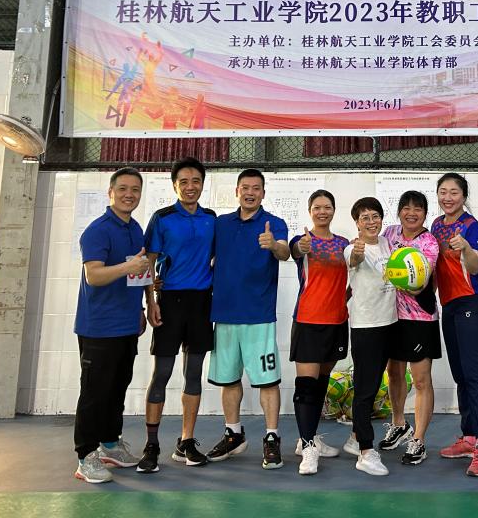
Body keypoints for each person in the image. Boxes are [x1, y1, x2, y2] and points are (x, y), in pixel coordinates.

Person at [136, 157, 217, 473]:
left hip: (201, 303)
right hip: (169, 301)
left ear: (202, 184)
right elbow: (148, 262)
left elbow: (219, 257)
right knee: (162, 373)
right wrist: (150, 300)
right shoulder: (162, 218)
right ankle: (151, 445)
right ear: (175, 186)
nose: (190, 186)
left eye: (195, 181)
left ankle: (186, 441)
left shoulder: (211, 219)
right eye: (184, 181)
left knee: (193, 373)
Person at [206, 169, 290, 470]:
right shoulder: (221, 224)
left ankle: (272, 437)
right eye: (245, 187)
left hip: (258, 316)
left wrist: (273, 244)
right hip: (224, 314)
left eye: (256, 188)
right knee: (228, 379)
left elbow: (284, 252)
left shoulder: (274, 223)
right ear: (237, 191)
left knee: (267, 380)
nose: (250, 192)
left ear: (263, 193)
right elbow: (205, 257)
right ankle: (234, 434)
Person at [73, 167, 151, 484]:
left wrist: (142, 308)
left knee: (117, 389)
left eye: (135, 189)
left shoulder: (135, 229)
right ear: (111, 192)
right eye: (123, 189)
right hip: (98, 327)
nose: (129, 194)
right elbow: (94, 275)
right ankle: (85, 456)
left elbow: (139, 272)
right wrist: (127, 266)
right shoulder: (97, 231)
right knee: (95, 394)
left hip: (126, 325)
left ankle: (109, 444)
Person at [430, 173, 478, 478]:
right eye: (443, 192)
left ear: (464, 196)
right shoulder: (435, 226)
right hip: (450, 306)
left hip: (473, 304)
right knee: (460, 375)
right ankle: (468, 437)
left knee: (475, 373)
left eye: (454, 192)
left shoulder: (472, 227)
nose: (448, 197)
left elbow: (476, 266)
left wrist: (467, 247)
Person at [287, 189, 349, 475]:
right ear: (310, 211)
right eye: (317, 207)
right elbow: (294, 250)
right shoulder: (302, 241)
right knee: (306, 386)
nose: (322, 211)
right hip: (308, 320)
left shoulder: (344, 244)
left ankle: (307, 438)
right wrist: (301, 247)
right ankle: (309, 447)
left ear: (333, 210)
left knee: (322, 381)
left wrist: (343, 299)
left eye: (327, 207)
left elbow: (351, 278)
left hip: (336, 322)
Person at [379, 191, 441, 465]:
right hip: (391, 316)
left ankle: (419, 439)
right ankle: (399, 424)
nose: (411, 213)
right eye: (406, 208)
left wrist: (399, 273)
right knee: (394, 374)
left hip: (419, 319)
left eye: (417, 209)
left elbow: (419, 283)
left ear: (425, 214)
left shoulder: (429, 242)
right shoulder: (390, 233)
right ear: (399, 211)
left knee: (421, 380)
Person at [341, 197, 397, 477]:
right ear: (357, 223)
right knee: (365, 389)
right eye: (365, 218)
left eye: (375, 216)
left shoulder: (387, 243)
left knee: (374, 385)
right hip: (366, 326)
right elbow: (355, 259)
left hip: (390, 322)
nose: (371, 222)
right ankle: (365, 451)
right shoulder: (352, 248)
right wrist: (357, 252)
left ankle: (354, 438)